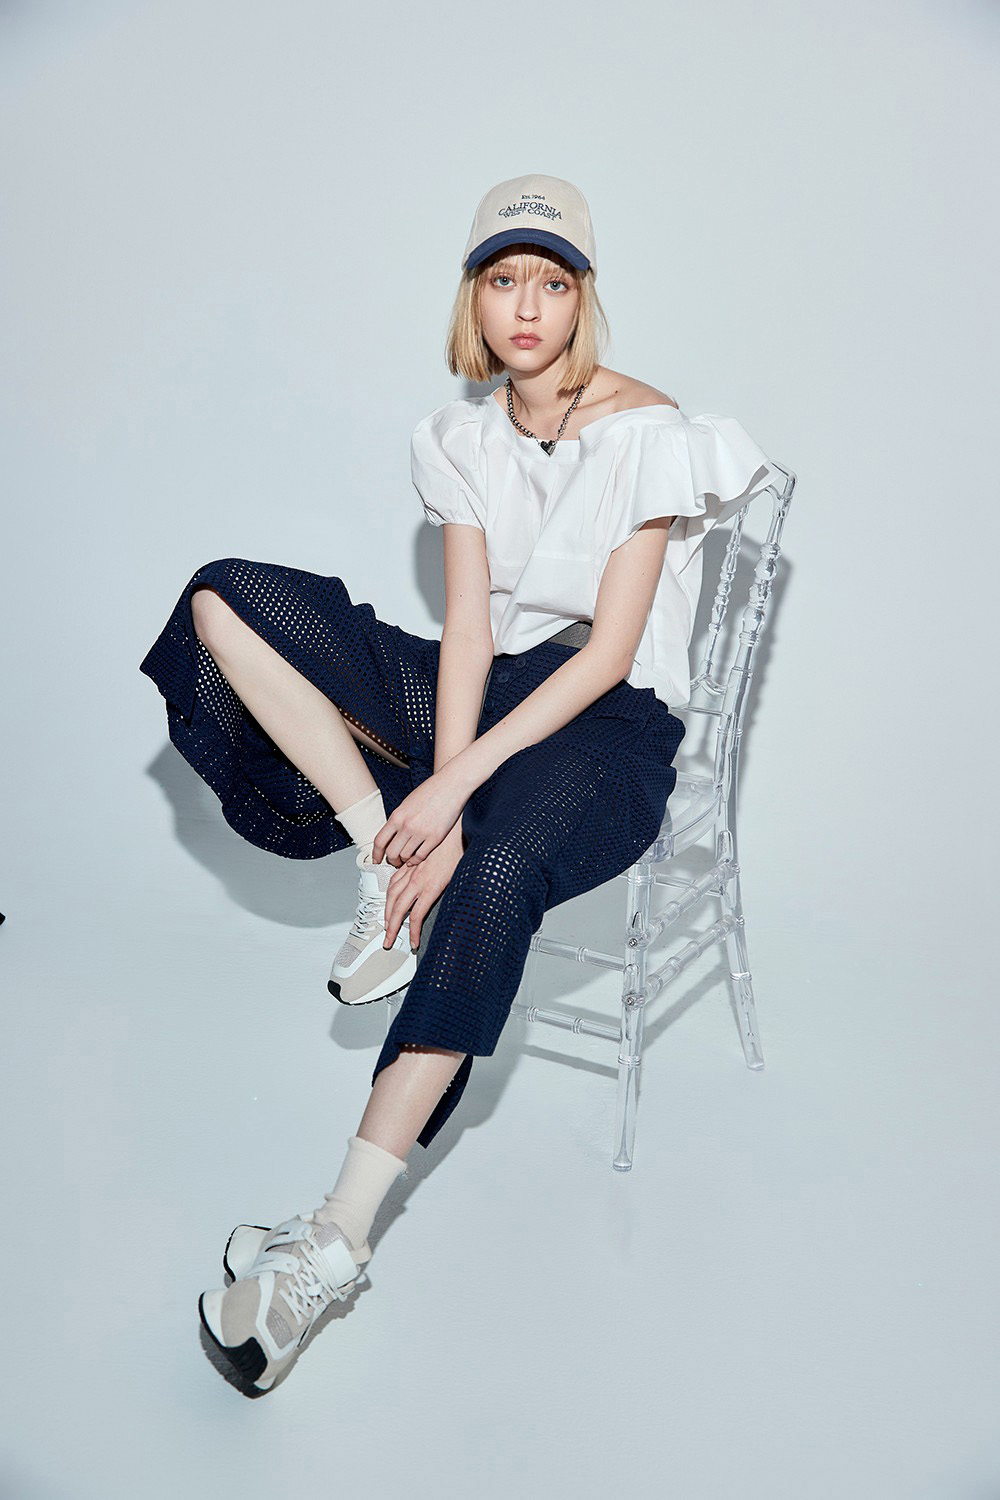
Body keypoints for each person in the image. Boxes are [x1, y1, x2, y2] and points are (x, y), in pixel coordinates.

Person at [139, 173, 780, 1395]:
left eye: (551, 282)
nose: (526, 307)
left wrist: (457, 800)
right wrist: (418, 809)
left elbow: (604, 656)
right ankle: (375, 855)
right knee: (229, 598)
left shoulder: (649, 432)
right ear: (473, 298)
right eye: (502, 279)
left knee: (492, 871)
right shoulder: (466, 436)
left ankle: (331, 1245)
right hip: (491, 696)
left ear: (582, 297)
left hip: (608, 729)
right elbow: (474, 634)